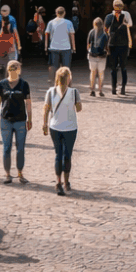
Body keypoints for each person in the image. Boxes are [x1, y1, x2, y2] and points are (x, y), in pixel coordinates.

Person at [42, 65, 82, 195]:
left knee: (58, 155)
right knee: (67, 155)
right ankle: (66, 182)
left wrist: (44, 123)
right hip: (70, 128)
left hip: (55, 127)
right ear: (69, 78)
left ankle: (58, 182)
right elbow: (79, 108)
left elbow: (46, 108)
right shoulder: (74, 92)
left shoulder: (51, 92)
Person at [0, 59, 31, 184]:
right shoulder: (2, 84)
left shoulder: (24, 84)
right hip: (6, 120)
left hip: (20, 120)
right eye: (13, 67)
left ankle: (20, 173)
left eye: (17, 67)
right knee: (7, 148)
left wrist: (30, 119)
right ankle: (7, 174)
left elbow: (28, 103)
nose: (15, 70)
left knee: (20, 148)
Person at [105, 0, 132, 96]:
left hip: (114, 44)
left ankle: (115, 87)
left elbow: (106, 30)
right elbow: (130, 26)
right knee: (123, 67)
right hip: (122, 44)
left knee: (114, 68)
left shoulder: (109, 17)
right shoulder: (125, 15)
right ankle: (121, 87)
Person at [44, 5, 76, 86]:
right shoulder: (69, 23)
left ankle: (56, 83)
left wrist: (46, 46)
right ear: (64, 13)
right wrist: (74, 47)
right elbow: (72, 35)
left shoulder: (51, 23)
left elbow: (47, 35)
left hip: (54, 47)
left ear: (56, 13)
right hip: (66, 47)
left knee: (54, 67)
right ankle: (68, 83)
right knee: (67, 67)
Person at [86, 16, 109, 96]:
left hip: (92, 56)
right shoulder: (105, 34)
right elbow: (107, 46)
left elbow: (88, 45)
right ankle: (100, 90)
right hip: (102, 57)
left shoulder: (91, 32)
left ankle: (92, 90)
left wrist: (89, 51)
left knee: (92, 73)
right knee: (101, 73)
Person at [0, 11, 20, 78]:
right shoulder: (11, 36)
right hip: (8, 55)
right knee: (8, 74)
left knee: (0, 74)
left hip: (0, 56)